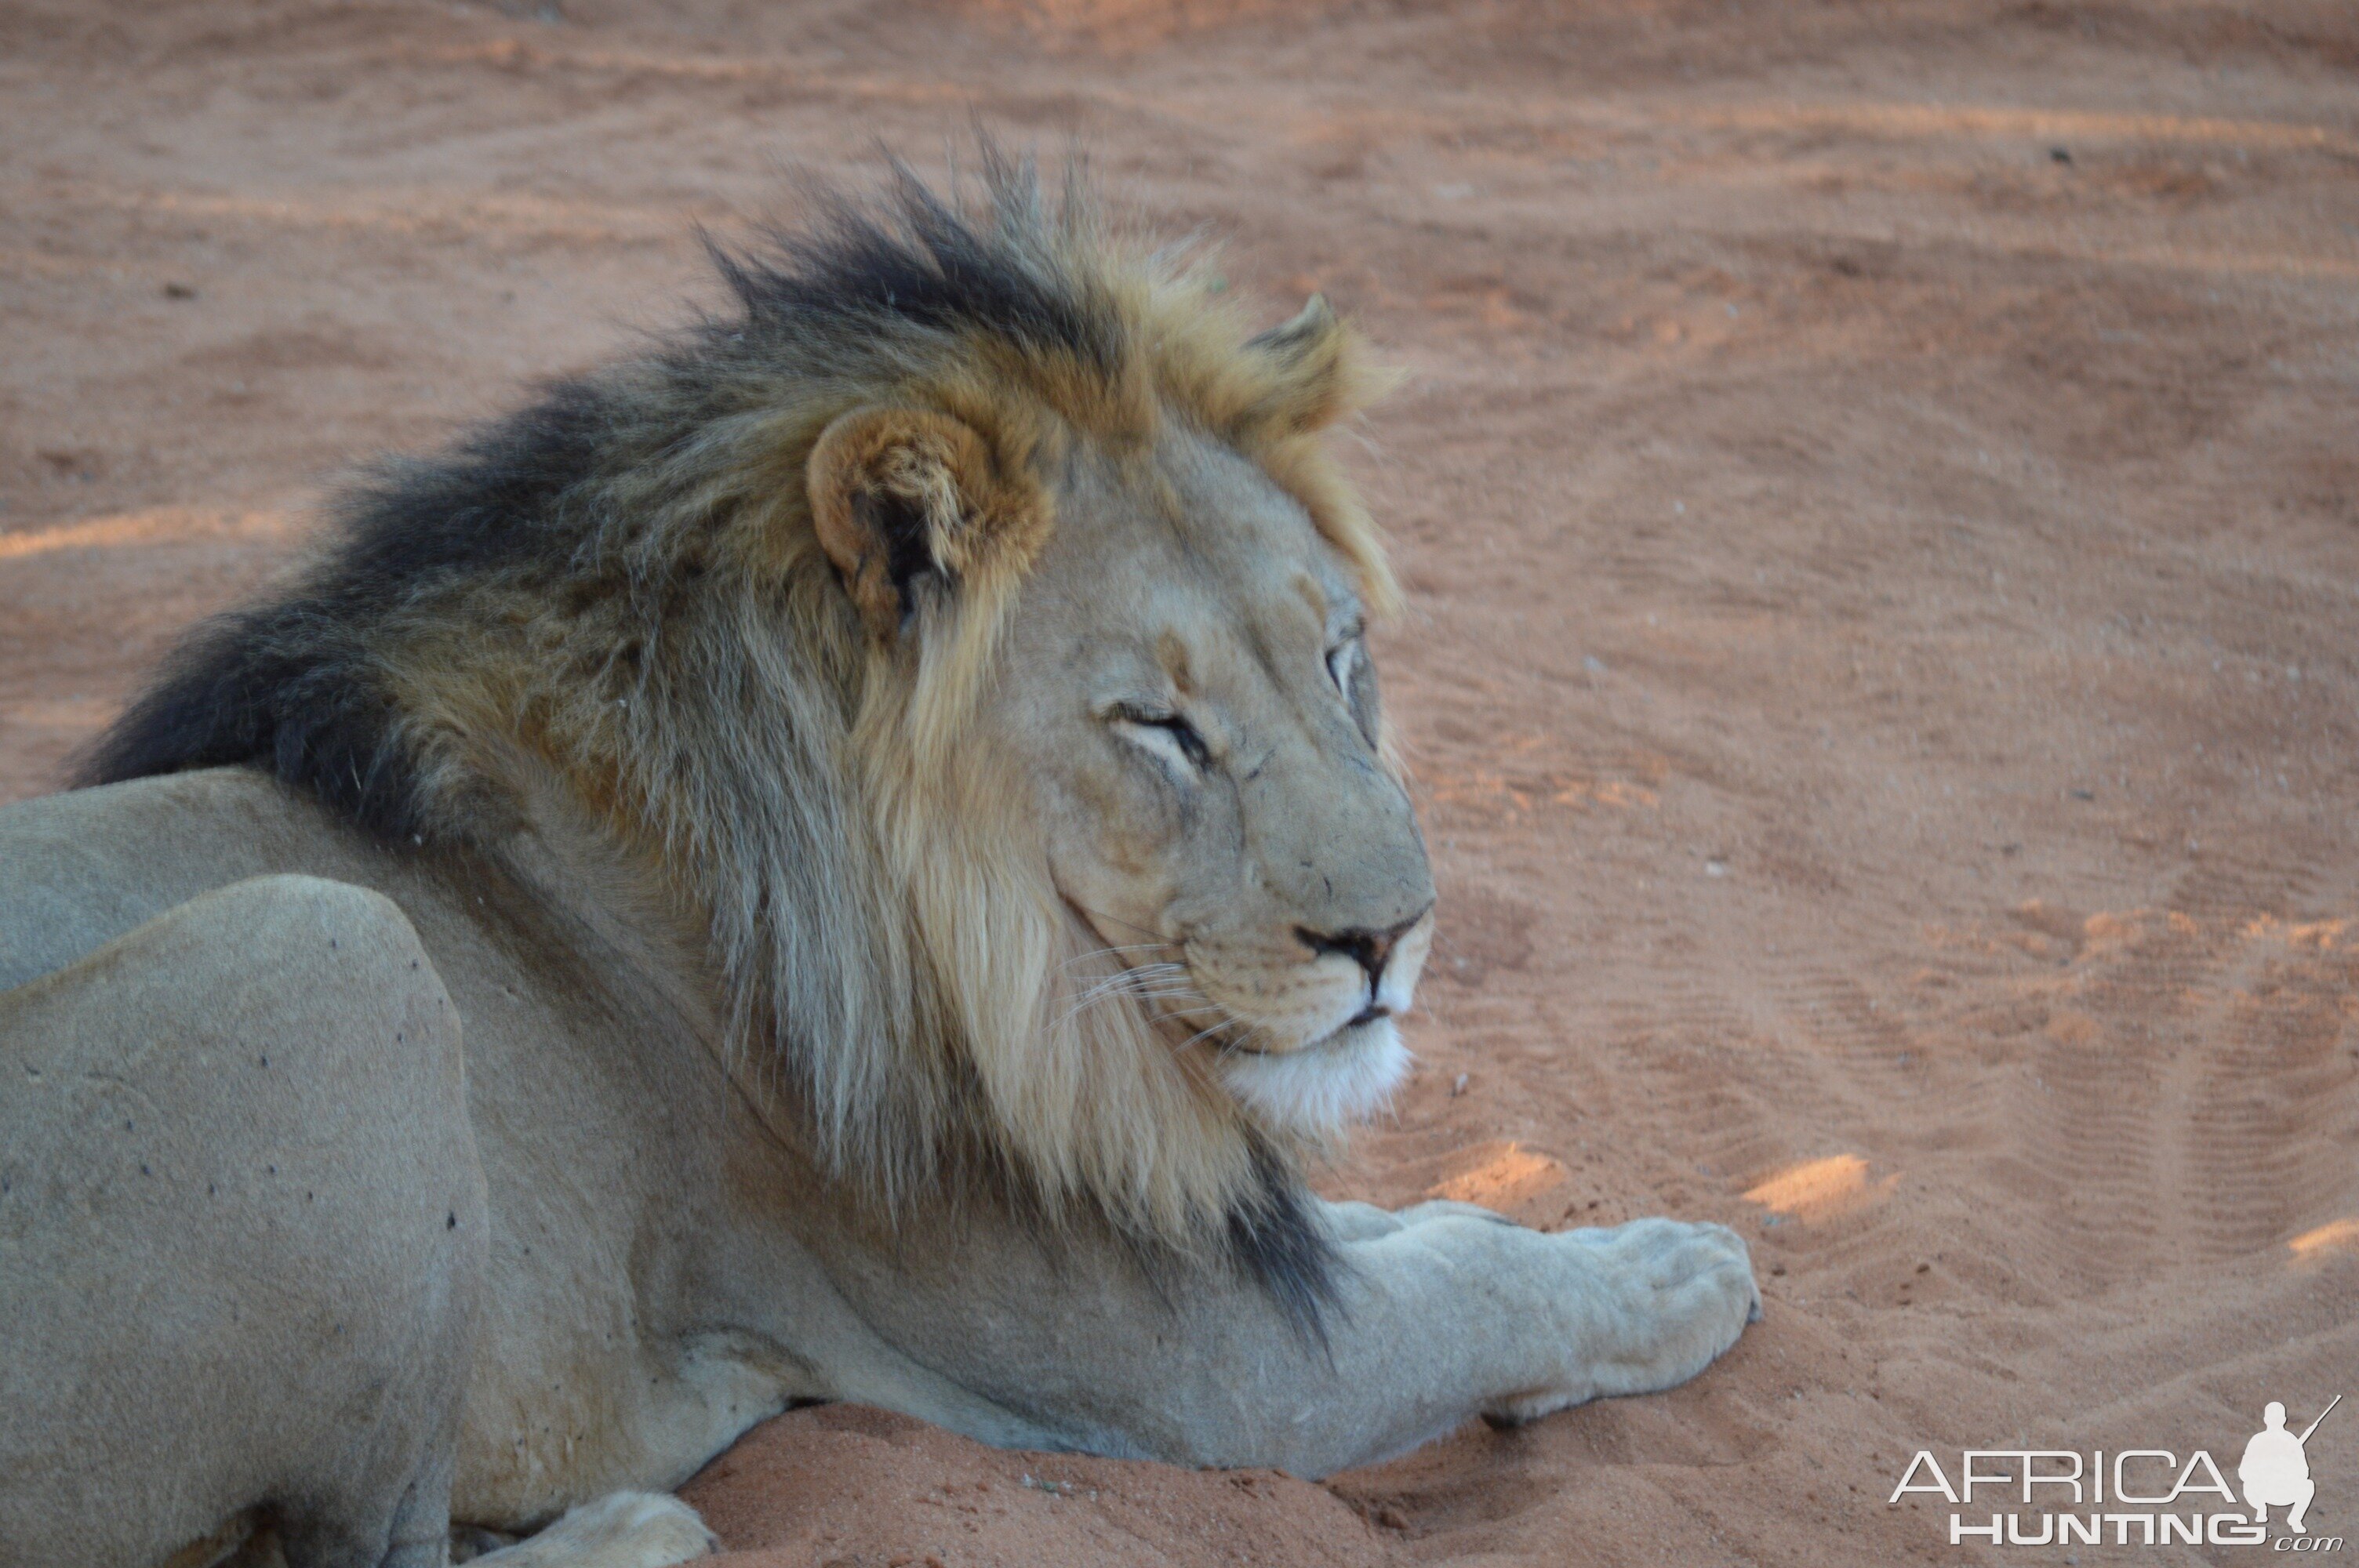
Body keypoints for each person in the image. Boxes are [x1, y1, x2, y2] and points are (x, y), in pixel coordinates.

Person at [2240, 1401, 2320, 1534]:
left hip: (2284, 1490)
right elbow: (2244, 1471)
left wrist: (2286, 1469)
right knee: (2250, 1483)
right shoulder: (2257, 1440)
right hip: (2260, 1492)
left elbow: (2304, 1472)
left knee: (2308, 1485)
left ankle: (2295, 1519)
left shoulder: (2291, 1441)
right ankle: (2261, 1509)